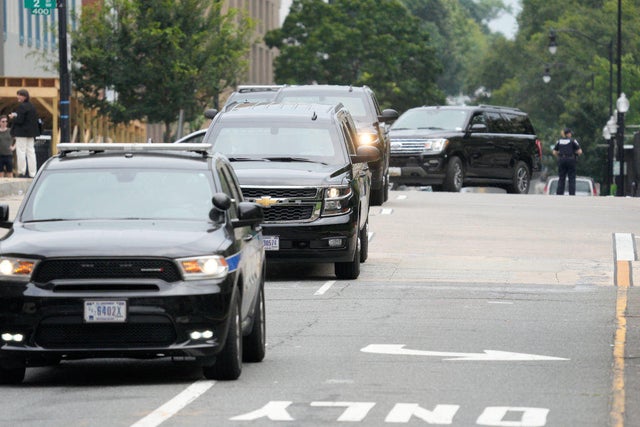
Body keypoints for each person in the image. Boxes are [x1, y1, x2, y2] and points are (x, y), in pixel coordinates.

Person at [8, 89, 39, 178]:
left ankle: (22, 171)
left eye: (19, 95)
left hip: (21, 133)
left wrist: (13, 117)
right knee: (31, 152)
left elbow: (20, 120)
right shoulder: (32, 106)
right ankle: (33, 173)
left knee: (21, 152)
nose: (17, 97)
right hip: (31, 133)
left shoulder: (22, 107)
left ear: (24, 96)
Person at [552, 128, 583, 195]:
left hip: (561, 160)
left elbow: (554, 152)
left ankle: (559, 193)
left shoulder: (559, 141)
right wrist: (575, 154)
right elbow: (580, 151)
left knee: (561, 177)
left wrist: (560, 156)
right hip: (571, 160)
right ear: (568, 134)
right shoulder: (573, 141)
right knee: (571, 178)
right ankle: (571, 194)